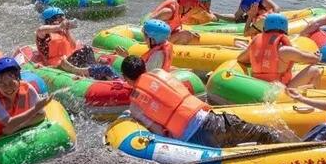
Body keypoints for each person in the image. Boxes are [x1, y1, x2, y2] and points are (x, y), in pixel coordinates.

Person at [121, 56, 290, 146]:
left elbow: (157, 130)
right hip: (212, 121)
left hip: (194, 139)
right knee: (264, 133)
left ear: (126, 79)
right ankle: (295, 146)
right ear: (145, 68)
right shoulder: (159, 73)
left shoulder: (135, 106)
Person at [238, 14, 322, 88]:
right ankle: (308, 96)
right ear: (285, 29)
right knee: (314, 70)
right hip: (279, 88)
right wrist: (317, 56)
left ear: (264, 28)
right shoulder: (286, 51)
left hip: (257, 86)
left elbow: (240, 59)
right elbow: (314, 59)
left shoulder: (253, 45)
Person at [35, 7, 115, 79]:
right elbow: (40, 29)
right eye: (59, 18)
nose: (63, 20)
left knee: (87, 49)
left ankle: (94, 67)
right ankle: (90, 70)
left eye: (63, 17)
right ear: (49, 20)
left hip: (69, 62)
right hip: (57, 65)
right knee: (84, 51)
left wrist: (67, 31)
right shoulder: (43, 34)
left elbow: (73, 46)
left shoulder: (63, 32)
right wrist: (59, 27)